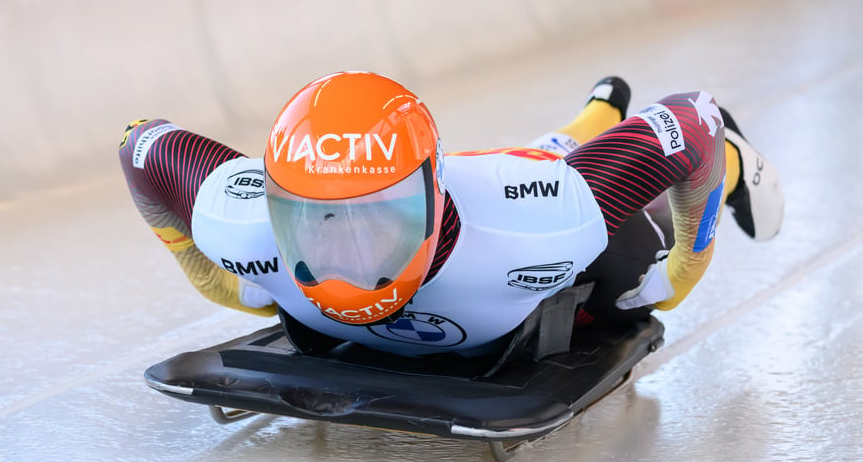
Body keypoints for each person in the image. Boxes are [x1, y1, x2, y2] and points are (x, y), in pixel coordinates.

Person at [119, 71, 783, 358]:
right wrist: (201, 265)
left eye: (377, 218)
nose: (350, 257)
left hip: (507, 192)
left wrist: (689, 256)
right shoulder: (237, 222)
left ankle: (728, 159)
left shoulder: (539, 222)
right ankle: (599, 111)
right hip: (478, 182)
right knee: (555, 158)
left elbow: (692, 122)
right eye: (315, 219)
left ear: (432, 200)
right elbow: (138, 145)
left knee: (624, 283)